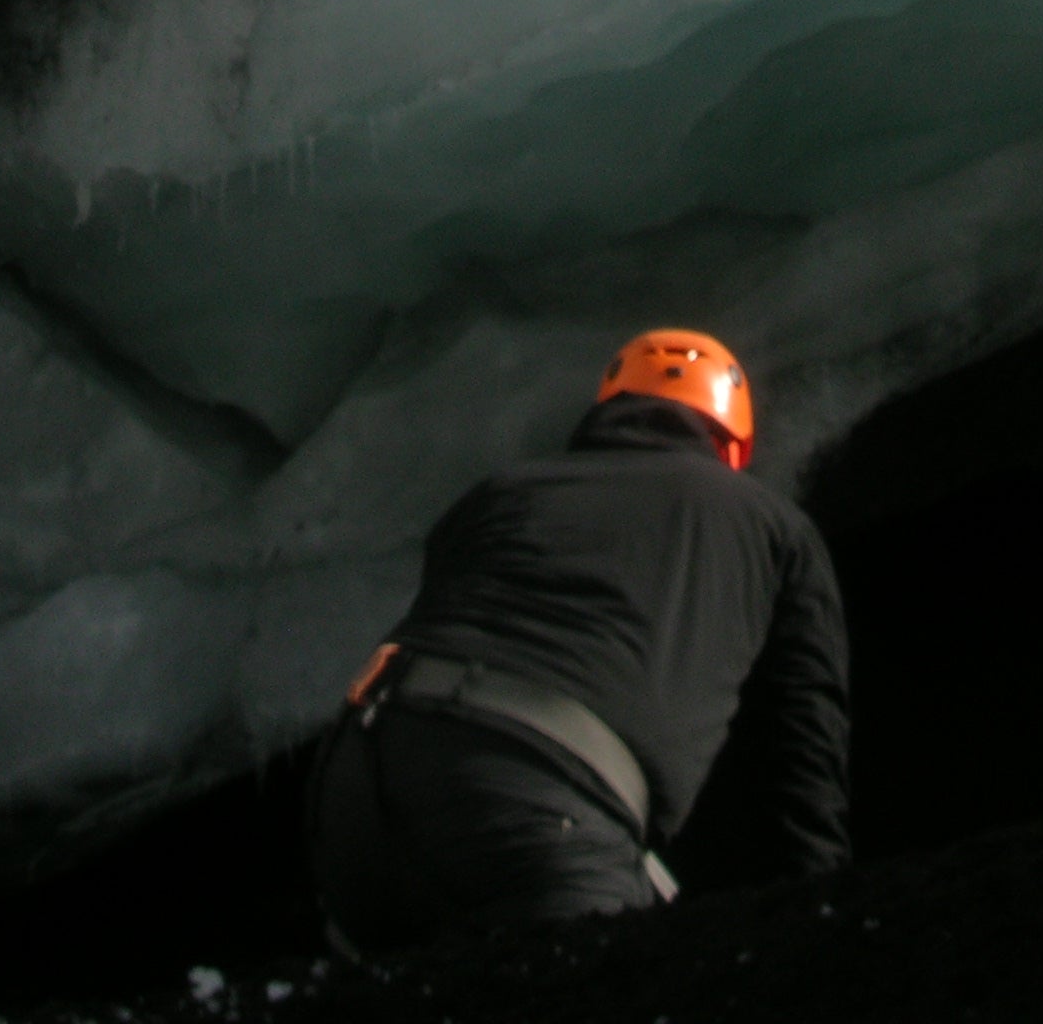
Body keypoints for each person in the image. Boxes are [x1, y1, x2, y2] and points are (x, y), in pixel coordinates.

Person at [307, 328, 850, 953]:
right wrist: (821, 924)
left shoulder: (500, 494)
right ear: (732, 446)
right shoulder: (773, 526)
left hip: (355, 782)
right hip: (534, 799)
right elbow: (801, 746)